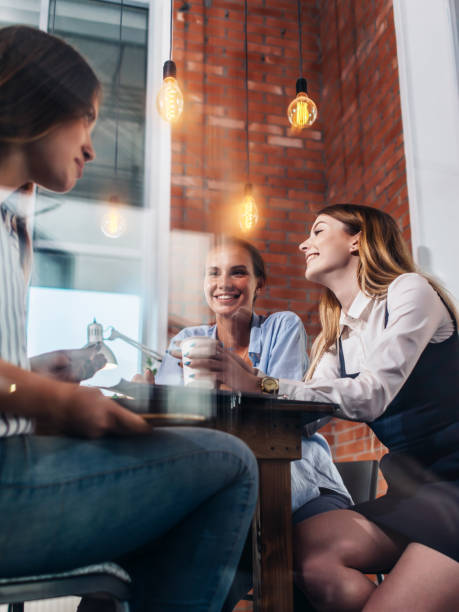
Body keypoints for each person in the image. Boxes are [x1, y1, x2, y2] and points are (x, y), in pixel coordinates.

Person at [0, 25, 258, 612]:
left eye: (238, 275)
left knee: (185, 473)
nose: (92, 145)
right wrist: (60, 401)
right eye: (87, 119)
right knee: (228, 461)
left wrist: (35, 372)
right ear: (36, 104)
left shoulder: (12, 229)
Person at [191, 204, 459, 611]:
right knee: (294, 552)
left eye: (318, 231)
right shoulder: (336, 339)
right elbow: (304, 417)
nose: (303, 244)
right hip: (416, 492)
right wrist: (235, 389)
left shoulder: (410, 291)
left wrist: (260, 382)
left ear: (357, 239)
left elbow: (371, 395)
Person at [152, 236, 351, 610]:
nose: (224, 283)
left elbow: (283, 418)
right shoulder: (186, 340)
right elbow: (171, 423)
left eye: (238, 272)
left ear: (260, 282)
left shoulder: (281, 327)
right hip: (223, 484)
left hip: (299, 483)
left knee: (269, 561)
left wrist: (237, 380)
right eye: (213, 273)